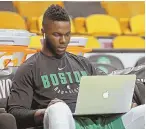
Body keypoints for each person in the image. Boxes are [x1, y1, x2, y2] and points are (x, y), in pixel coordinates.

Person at [7, 5, 145, 129]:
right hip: (68, 122)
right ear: (43, 32)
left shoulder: (82, 62)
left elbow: (107, 89)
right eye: (57, 35)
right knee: (58, 109)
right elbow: (15, 112)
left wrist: (123, 102)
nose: (63, 40)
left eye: (67, 35)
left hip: (102, 123)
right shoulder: (29, 68)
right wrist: (44, 112)